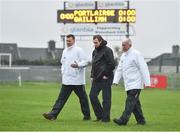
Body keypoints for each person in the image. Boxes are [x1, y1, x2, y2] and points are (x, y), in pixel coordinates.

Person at [43, 34, 91, 121]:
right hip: (67, 80)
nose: (68, 42)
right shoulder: (65, 51)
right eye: (67, 41)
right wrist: (63, 72)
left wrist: (78, 65)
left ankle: (87, 116)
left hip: (77, 81)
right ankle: (53, 115)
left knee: (83, 99)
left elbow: (86, 62)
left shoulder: (79, 50)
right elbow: (63, 63)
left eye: (69, 41)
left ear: (74, 40)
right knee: (61, 99)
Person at [113, 38, 151, 125]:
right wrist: (116, 80)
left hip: (136, 83)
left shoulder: (136, 54)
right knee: (135, 104)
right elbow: (119, 69)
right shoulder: (123, 56)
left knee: (130, 101)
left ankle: (123, 120)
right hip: (128, 84)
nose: (122, 46)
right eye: (122, 45)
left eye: (124, 45)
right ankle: (141, 121)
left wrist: (147, 82)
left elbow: (143, 68)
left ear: (130, 45)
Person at [89, 35, 115, 122]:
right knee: (92, 96)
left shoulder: (108, 50)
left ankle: (106, 118)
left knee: (106, 98)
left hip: (106, 77)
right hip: (96, 78)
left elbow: (112, 64)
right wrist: (92, 75)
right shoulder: (94, 52)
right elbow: (94, 65)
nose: (95, 44)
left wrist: (106, 74)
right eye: (94, 43)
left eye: (96, 42)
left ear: (100, 41)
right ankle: (100, 115)